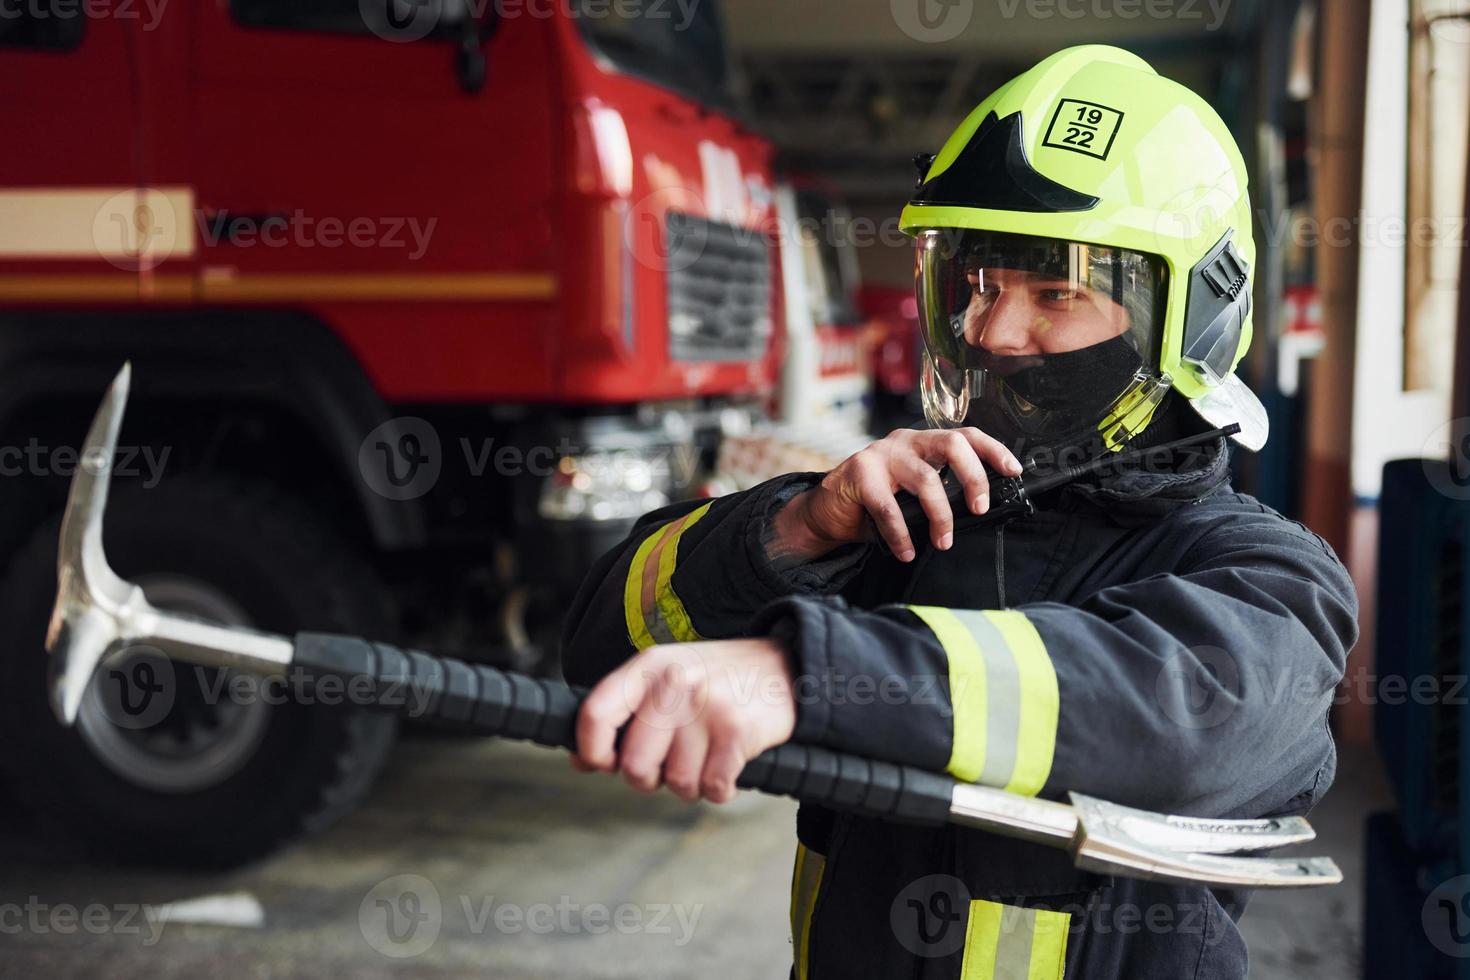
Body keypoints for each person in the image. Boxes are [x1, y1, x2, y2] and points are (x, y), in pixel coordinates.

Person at [560, 45, 1357, 979]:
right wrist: (799, 530)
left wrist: (806, 673)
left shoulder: (1269, 579)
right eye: (977, 288)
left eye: (1056, 294)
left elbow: (1177, 714)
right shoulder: (893, 523)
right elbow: (602, 654)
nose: (991, 334)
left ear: (1191, 317)